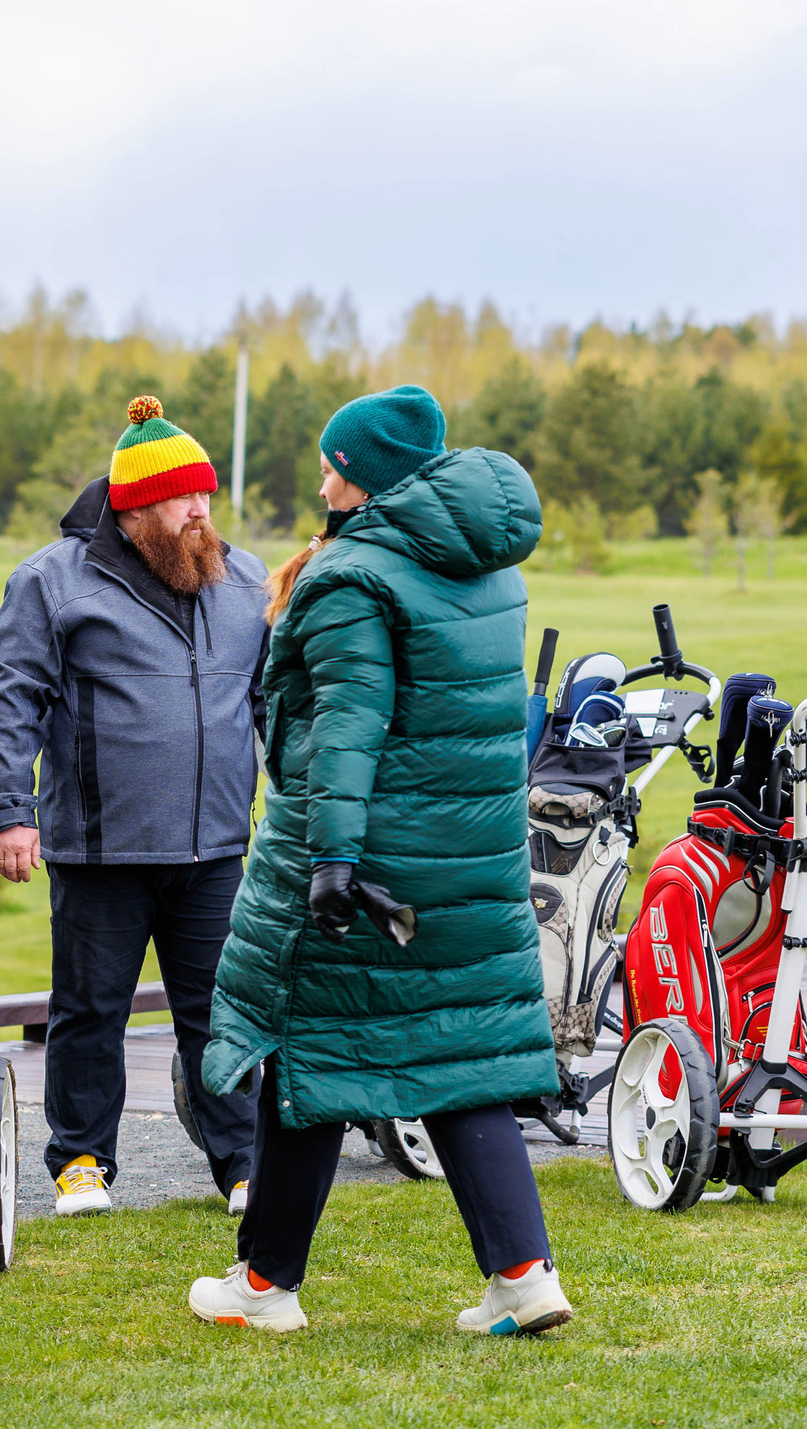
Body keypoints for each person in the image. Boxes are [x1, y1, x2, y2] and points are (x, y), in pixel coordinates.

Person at [188, 385, 573, 1336]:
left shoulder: (354, 577)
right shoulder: (484, 572)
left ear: (368, 478)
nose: (322, 476)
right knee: (458, 1053)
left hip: (369, 862)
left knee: (312, 1051)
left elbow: (350, 725)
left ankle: (266, 1287)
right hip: (468, 856)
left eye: (335, 463)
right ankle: (524, 1279)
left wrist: (330, 861)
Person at [0, 397, 269, 1217]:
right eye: (184, 499)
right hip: (100, 849)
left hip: (214, 846)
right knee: (90, 1010)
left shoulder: (243, 581)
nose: (201, 513)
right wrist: (10, 810)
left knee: (220, 1014)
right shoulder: (51, 582)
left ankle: (244, 1163)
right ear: (135, 505)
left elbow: (272, 702)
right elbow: (11, 701)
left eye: (206, 496)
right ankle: (80, 1163)